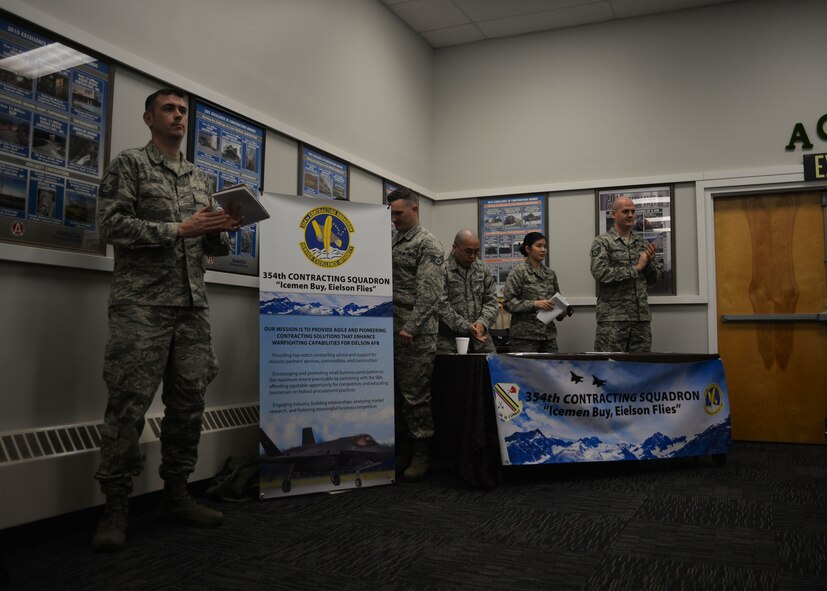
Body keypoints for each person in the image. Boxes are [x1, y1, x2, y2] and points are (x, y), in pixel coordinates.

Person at [92, 88, 243, 552]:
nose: (178, 116)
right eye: (169, 109)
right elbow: (111, 225)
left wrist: (221, 231)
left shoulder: (201, 178)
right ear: (149, 118)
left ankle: (176, 494)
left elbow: (210, 247)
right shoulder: (130, 165)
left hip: (192, 308)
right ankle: (115, 508)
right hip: (142, 306)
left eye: (182, 111)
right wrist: (179, 228)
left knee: (188, 403)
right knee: (128, 407)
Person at [388, 188, 445, 482]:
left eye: (399, 213)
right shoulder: (392, 240)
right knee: (396, 394)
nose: (394, 218)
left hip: (415, 333)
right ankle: (403, 449)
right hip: (390, 329)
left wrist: (411, 326)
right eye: (392, 214)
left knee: (415, 396)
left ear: (414, 209)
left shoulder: (427, 243)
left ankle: (422, 452)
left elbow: (430, 293)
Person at [590, 195, 662, 352]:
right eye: (625, 211)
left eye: (633, 211)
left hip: (640, 319)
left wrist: (649, 263)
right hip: (613, 320)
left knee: (640, 365)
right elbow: (601, 273)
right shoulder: (602, 242)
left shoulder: (642, 243)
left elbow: (654, 278)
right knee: (609, 364)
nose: (630, 215)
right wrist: (637, 267)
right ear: (614, 214)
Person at [502, 231, 568, 353]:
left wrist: (561, 311)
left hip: (548, 336)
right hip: (524, 337)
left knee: (552, 365)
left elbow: (557, 299)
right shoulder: (518, 272)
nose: (543, 250)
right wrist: (534, 304)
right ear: (528, 249)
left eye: (545, 246)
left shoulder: (550, 273)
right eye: (539, 246)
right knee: (526, 366)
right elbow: (508, 303)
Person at [437, 229, 499, 354]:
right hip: (449, 340)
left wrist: (482, 323)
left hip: (481, 339)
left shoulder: (482, 269)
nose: (472, 256)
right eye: (468, 251)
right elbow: (440, 305)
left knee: (491, 365)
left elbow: (491, 302)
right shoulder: (441, 270)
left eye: (476, 252)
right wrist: (466, 326)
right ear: (454, 247)